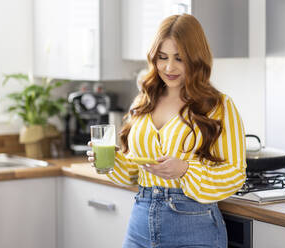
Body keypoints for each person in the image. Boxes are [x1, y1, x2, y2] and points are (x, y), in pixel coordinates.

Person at [87, 13, 246, 248]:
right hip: (140, 224)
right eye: (163, 57)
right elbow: (133, 170)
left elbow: (235, 174)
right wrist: (111, 161)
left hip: (194, 228)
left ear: (196, 59)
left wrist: (184, 170)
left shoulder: (219, 106)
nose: (169, 67)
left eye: (179, 58)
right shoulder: (142, 102)